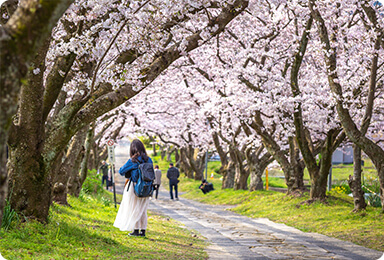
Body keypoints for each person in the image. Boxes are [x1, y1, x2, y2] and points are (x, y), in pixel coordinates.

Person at [113, 139, 152, 237]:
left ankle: (135, 230)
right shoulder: (149, 159)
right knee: (143, 210)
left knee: (134, 208)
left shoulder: (133, 160)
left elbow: (121, 171)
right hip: (147, 187)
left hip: (135, 187)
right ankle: (143, 231)